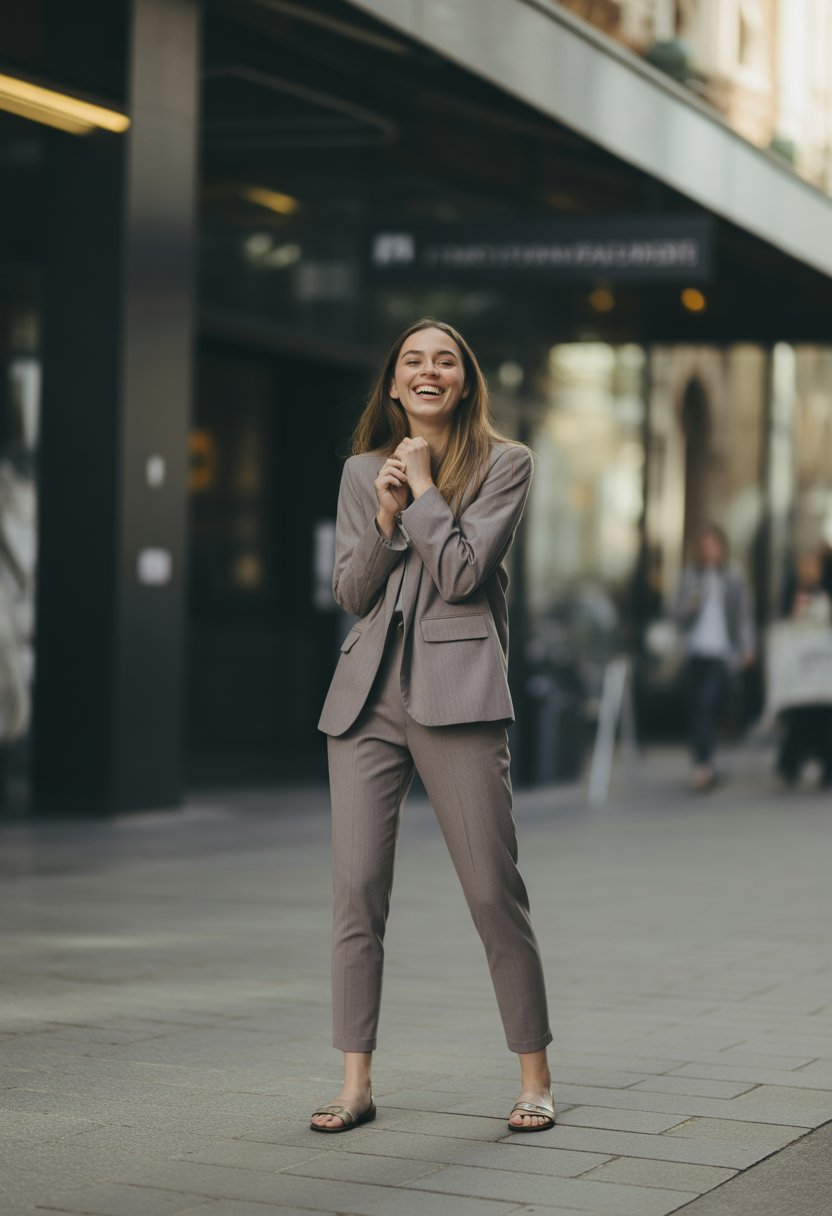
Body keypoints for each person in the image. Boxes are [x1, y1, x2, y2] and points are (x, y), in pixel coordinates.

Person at [312, 318, 555, 1135]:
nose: (428, 370)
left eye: (444, 360)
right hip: (366, 700)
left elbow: (459, 573)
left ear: (463, 382)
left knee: (492, 890)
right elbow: (350, 591)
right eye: (413, 360)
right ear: (392, 383)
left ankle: (535, 1077)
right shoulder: (358, 471)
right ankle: (355, 1085)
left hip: (458, 695)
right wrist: (383, 518)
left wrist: (420, 491)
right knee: (356, 893)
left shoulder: (504, 464)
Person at [674, 523, 755, 791]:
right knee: (696, 708)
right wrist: (691, 604)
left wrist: (746, 647)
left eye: (713, 546)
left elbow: (743, 614)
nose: (709, 551)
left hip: (721, 652)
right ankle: (703, 762)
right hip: (695, 650)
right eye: (704, 546)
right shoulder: (690, 576)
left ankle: (703, 764)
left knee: (707, 705)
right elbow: (676, 614)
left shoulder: (732, 577)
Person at [775, 550, 832, 787]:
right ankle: (791, 764)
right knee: (799, 716)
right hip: (800, 668)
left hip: (822, 667)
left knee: (824, 717)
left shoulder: (826, 592)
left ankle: (826, 765)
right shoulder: (792, 593)